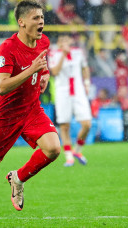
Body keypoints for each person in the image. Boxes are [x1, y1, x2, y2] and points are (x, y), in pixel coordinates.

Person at [0, 1, 61, 227]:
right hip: (5, 115)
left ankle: (18, 178)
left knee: (54, 148)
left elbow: (41, 66)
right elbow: (1, 86)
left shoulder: (43, 41)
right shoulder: (8, 48)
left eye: (42, 17)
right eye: (36, 18)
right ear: (22, 22)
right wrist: (32, 70)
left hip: (31, 109)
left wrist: (44, 74)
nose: (41, 22)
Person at [48, 33, 92, 167]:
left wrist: (87, 83)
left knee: (87, 124)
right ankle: (69, 158)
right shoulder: (53, 54)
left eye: (66, 40)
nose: (64, 43)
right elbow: (54, 72)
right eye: (61, 40)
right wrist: (63, 55)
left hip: (78, 92)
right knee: (64, 126)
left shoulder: (79, 53)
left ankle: (77, 151)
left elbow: (85, 68)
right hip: (63, 92)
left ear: (71, 41)